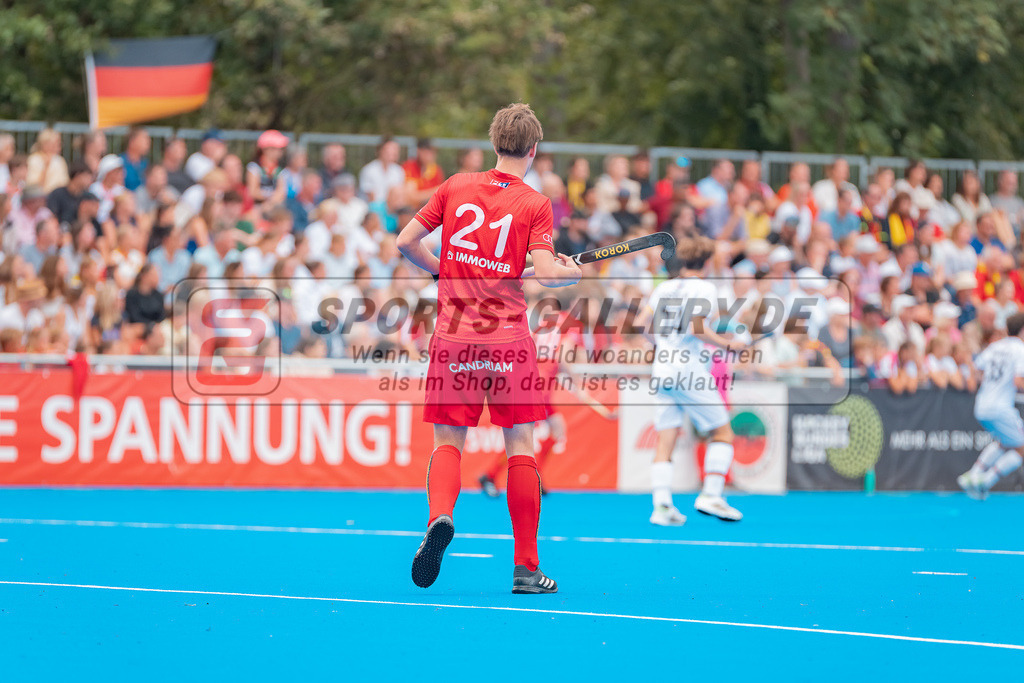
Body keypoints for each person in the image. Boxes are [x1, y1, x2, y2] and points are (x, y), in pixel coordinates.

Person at [396, 103, 581, 594]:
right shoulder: (535, 203)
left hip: (453, 338)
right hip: (508, 342)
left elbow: (405, 241)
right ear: (534, 149)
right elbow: (546, 273)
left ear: (494, 141)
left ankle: (440, 518)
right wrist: (571, 271)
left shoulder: (455, 186)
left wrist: (441, 269)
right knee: (519, 445)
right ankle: (525, 568)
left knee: (447, 443)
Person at [640, 237, 745, 525]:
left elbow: (642, 322)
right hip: (689, 370)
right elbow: (699, 328)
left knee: (666, 440)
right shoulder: (706, 288)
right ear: (707, 263)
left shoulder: (664, 287)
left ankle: (661, 506)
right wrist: (727, 344)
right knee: (722, 433)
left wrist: (661, 344)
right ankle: (711, 494)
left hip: (662, 369)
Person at [958, 312, 1024, 499]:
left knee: (1005, 442)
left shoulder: (995, 346)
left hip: (982, 405)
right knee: (1021, 448)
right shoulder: (1020, 349)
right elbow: (1019, 381)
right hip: (1000, 408)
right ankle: (985, 481)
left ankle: (973, 474)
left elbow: (976, 369)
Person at [359, 137, 405, 203]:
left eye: (396, 149)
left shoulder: (398, 171)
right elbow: (370, 197)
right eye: (391, 149)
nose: (394, 152)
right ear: (381, 150)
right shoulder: (369, 170)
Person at [120, 126, 151, 191]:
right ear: (132, 141)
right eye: (145, 139)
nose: (148, 143)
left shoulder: (146, 164)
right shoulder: (119, 163)